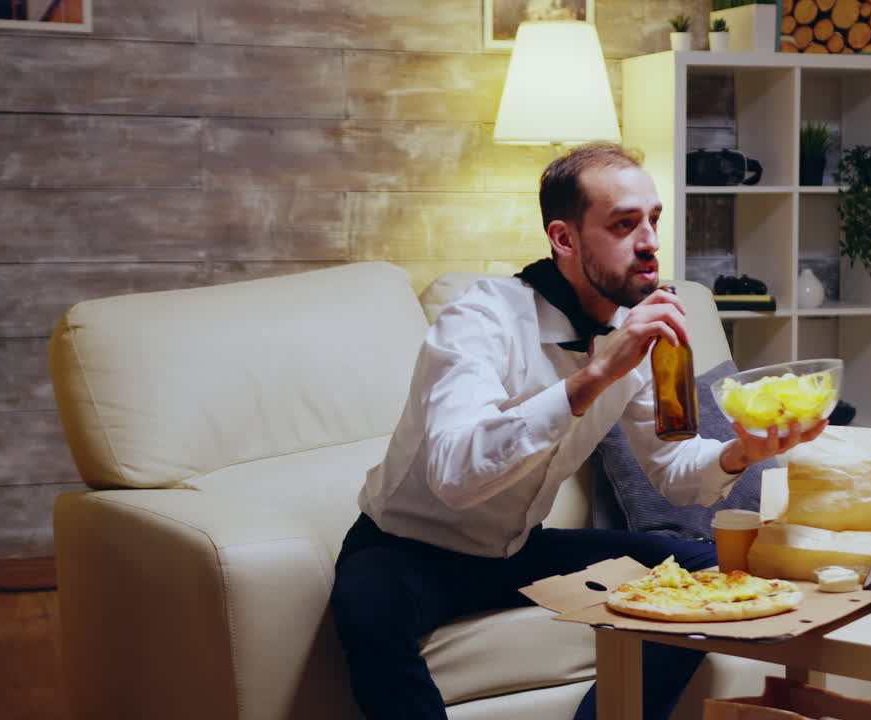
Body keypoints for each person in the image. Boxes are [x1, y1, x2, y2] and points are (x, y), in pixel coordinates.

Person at [330, 142, 827, 720]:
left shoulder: (646, 332)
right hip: (403, 551)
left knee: (701, 573)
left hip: (514, 550)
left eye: (653, 220)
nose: (650, 243)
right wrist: (594, 374)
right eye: (623, 224)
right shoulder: (479, 320)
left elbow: (673, 470)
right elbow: (455, 478)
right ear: (564, 238)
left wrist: (742, 453)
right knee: (367, 611)